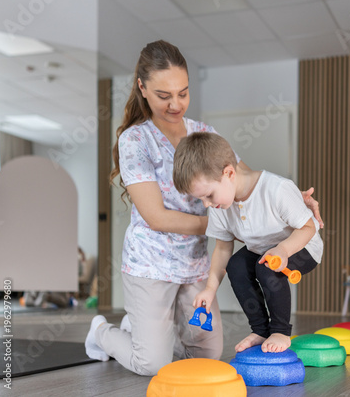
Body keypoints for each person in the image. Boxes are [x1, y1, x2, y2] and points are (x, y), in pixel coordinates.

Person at [84, 39, 323, 376]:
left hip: (194, 264)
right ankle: (103, 333)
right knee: (152, 363)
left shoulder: (204, 133)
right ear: (142, 88)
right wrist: (228, 225)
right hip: (151, 264)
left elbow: (244, 182)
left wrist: (291, 199)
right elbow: (156, 216)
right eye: (164, 96)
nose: (175, 104)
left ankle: (147, 331)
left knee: (207, 359)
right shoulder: (135, 140)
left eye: (183, 93)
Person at [173, 132, 324, 353]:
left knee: (266, 269)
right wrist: (209, 289)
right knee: (236, 266)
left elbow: (308, 228)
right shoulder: (220, 206)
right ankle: (261, 330)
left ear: (229, 173)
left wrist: (282, 250)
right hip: (263, 250)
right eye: (201, 199)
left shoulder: (277, 190)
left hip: (303, 245)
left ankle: (280, 331)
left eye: (209, 195)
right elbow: (223, 248)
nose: (206, 203)